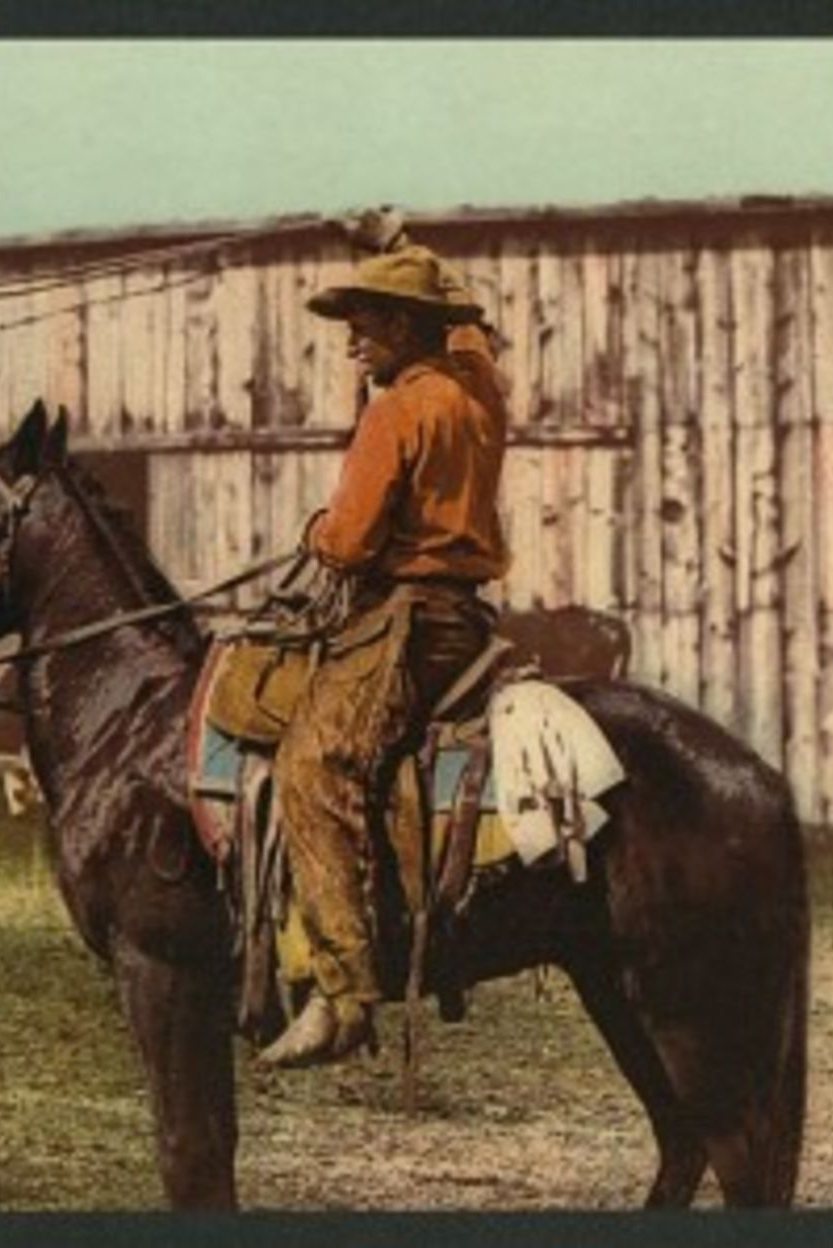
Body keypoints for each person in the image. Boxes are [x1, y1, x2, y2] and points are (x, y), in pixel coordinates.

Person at [254, 245, 511, 1068]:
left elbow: (352, 539)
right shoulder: (478, 396)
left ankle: (345, 991)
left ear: (407, 325)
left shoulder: (395, 412)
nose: (352, 341)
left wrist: (316, 536)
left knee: (310, 766)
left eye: (366, 324)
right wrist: (426, 262)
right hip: (466, 624)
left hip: (402, 626)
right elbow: (473, 336)